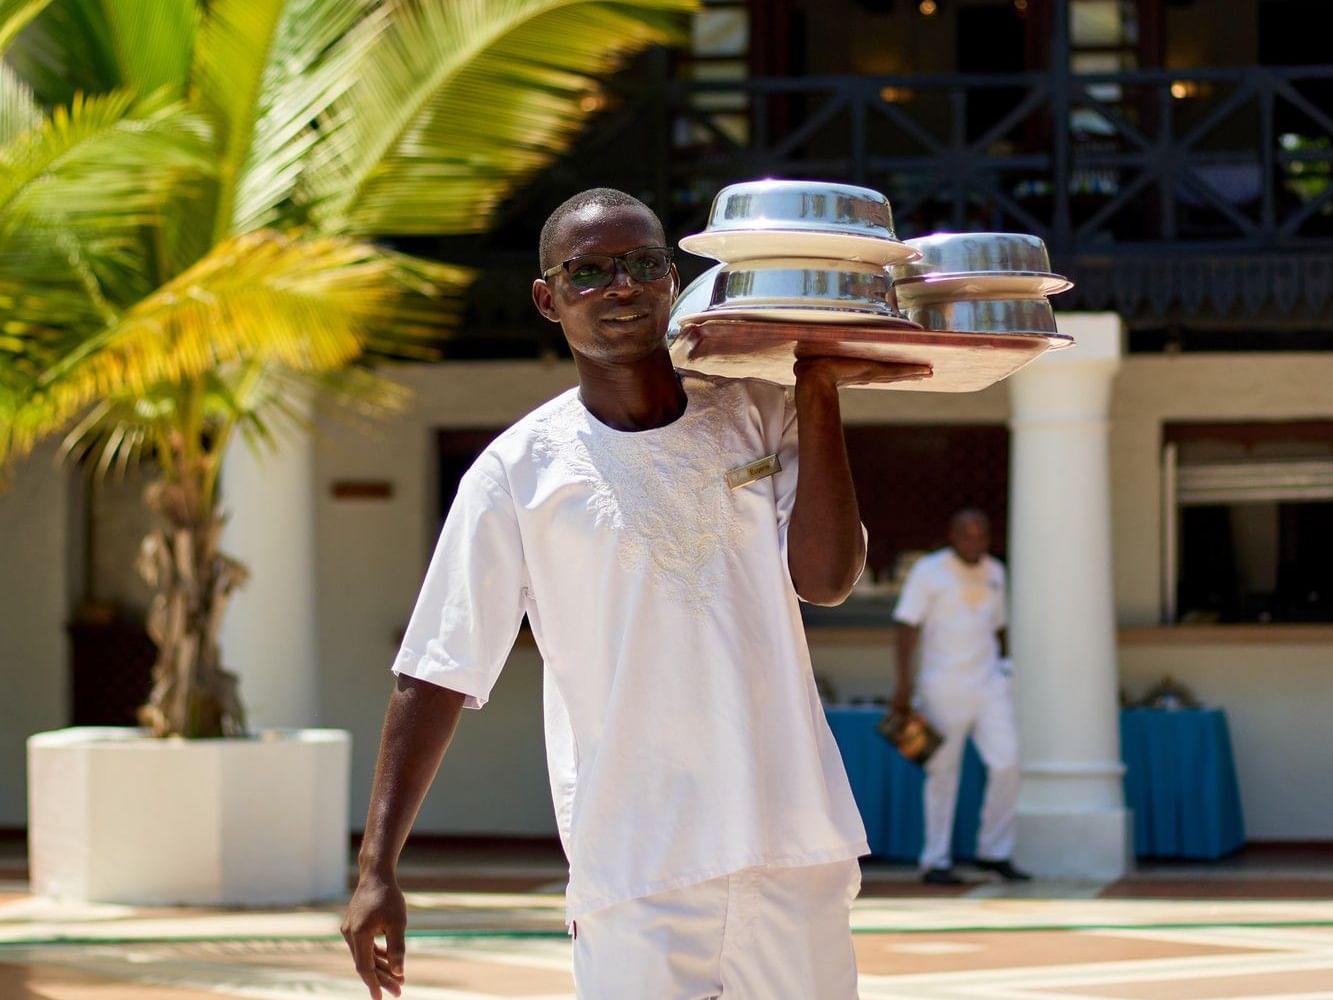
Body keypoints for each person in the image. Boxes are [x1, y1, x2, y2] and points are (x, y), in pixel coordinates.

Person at [341, 187, 932, 999]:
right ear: (548, 299)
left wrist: (816, 387)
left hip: (791, 842)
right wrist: (376, 870)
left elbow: (826, 580)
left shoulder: (759, 412)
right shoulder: (519, 473)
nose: (619, 288)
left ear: (670, 280)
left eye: (642, 265)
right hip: (636, 861)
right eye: (588, 273)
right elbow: (437, 670)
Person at [891, 509, 1031, 886]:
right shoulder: (929, 570)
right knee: (942, 773)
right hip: (943, 685)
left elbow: (1000, 627)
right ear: (953, 537)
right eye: (967, 537)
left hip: (989, 684)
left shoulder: (996, 572)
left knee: (1007, 762)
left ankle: (994, 852)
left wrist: (1006, 667)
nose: (974, 544)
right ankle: (935, 860)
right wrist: (903, 686)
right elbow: (906, 625)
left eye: (981, 536)